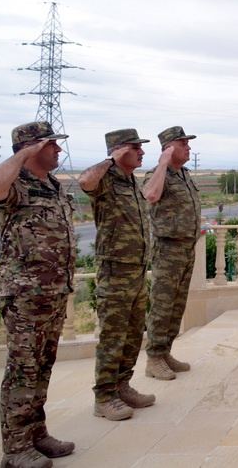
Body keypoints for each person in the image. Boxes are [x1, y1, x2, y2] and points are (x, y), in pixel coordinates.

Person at [0, 122, 76, 468]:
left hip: (52, 292)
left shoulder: (51, 184)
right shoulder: (16, 184)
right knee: (23, 370)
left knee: (42, 367)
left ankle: (38, 434)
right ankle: (16, 448)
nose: (59, 150)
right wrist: (23, 154)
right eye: (52, 145)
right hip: (23, 294)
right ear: (34, 148)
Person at [78, 129, 155, 421]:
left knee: (134, 332)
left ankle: (123, 386)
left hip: (136, 269)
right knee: (113, 335)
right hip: (115, 271)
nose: (142, 153)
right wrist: (111, 159)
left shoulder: (130, 182)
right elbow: (84, 181)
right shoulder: (105, 179)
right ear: (121, 150)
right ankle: (104, 397)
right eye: (137, 148)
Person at [142, 126, 201, 380]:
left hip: (187, 248)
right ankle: (153, 358)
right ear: (169, 148)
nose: (188, 148)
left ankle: (165, 352)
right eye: (183, 143)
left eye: (188, 143)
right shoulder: (157, 175)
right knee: (163, 305)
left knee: (177, 305)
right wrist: (163, 164)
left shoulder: (185, 175)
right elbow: (151, 195)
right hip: (168, 249)